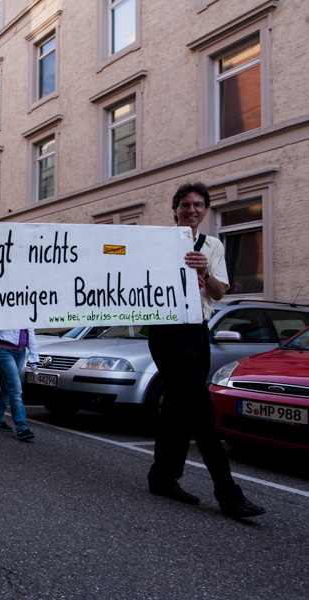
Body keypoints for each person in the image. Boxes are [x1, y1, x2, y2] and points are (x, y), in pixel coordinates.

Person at [146, 182, 264, 518]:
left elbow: (218, 293)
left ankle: (162, 476)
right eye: (186, 204)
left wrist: (204, 270)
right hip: (168, 330)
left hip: (198, 330)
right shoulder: (158, 242)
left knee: (177, 405)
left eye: (198, 204)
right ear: (175, 210)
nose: (192, 210)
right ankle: (229, 493)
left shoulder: (212, 245)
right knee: (200, 407)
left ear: (206, 210)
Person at [0, 330, 38, 441]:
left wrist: (34, 357)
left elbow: (30, 331)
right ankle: (22, 427)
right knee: (15, 389)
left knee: (7, 386)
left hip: (20, 352)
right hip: (3, 350)